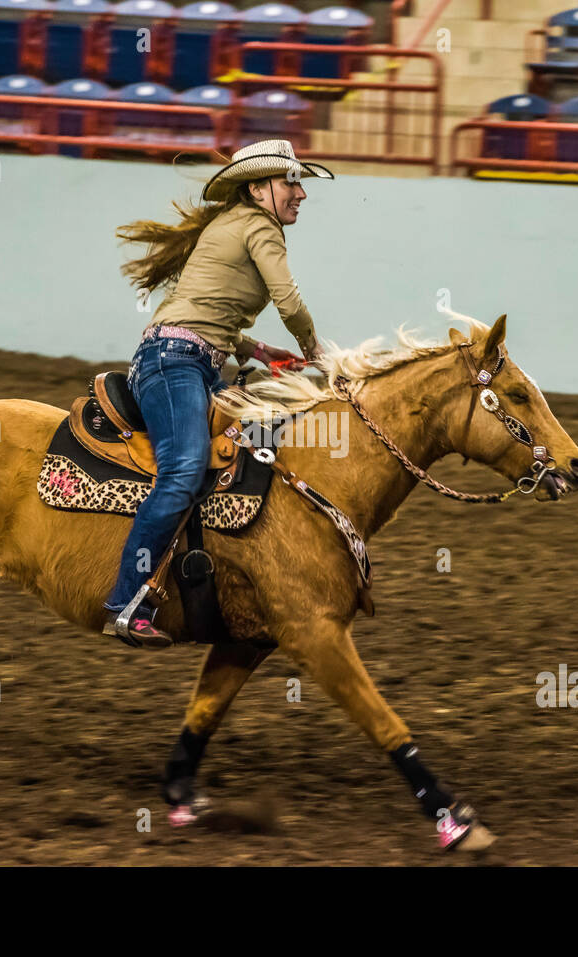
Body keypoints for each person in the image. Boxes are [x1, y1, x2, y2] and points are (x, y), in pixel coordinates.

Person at [102, 139, 335, 648]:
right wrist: (316, 348)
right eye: (290, 182)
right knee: (185, 469)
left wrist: (259, 350)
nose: (300, 193)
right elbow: (288, 299)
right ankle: (125, 601)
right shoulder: (259, 226)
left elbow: (207, 308)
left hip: (182, 360)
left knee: (254, 453)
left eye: (299, 182)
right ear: (258, 189)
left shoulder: (232, 225)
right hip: (176, 364)